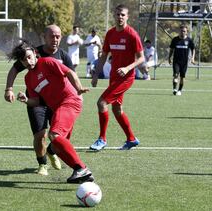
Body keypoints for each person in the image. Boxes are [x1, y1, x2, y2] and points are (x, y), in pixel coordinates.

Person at [9, 40, 94, 184]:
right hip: (58, 109)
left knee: (54, 134)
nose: (28, 61)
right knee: (58, 145)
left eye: (29, 57)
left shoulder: (48, 62)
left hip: (70, 101)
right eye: (24, 60)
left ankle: (81, 168)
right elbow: (37, 101)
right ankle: (79, 172)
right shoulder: (28, 79)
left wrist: (78, 88)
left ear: (35, 54)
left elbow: (69, 72)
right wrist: (26, 100)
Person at [4, 25, 73, 176]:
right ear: (44, 37)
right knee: (39, 135)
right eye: (52, 36)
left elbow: (71, 76)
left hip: (57, 102)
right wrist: (9, 89)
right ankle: (42, 164)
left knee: (61, 136)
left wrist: (75, 95)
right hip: (37, 102)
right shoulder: (32, 54)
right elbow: (14, 69)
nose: (55, 39)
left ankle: (51, 151)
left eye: (58, 36)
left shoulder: (64, 56)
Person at [89, 4, 145, 151]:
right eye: (117, 14)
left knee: (101, 103)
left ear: (127, 17)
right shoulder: (110, 34)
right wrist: (95, 74)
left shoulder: (132, 34)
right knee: (117, 109)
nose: (120, 17)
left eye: (123, 15)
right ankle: (131, 139)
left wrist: (127, 68)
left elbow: (141, 58)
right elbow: (103, 56)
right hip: (114, 77)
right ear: (114, 16)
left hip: (126, 78)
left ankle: (102, 139)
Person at [168, 24, 195, 96]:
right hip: (176, 61)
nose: (182, 32)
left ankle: (179, 90)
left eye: (184, 31)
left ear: (186, 32)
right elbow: (171, 50)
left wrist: (192, 58)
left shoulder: (189, 40)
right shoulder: (175, 40)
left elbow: (193, 49)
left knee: (182, 78)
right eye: (181, 31)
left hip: (184, 62)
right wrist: (169, 58)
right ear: (179, 31)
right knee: (175, 75)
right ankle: (174, 89)